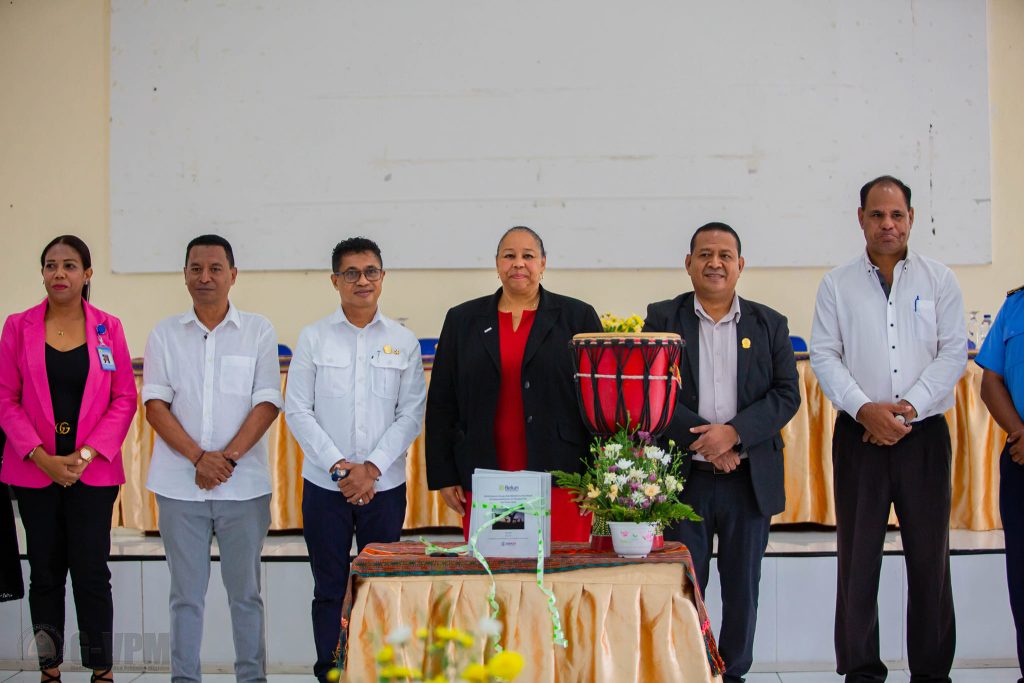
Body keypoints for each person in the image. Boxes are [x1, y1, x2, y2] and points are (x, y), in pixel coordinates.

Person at [810, 175, 967, 682]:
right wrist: (865, 410)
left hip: (924, 437)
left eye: (897, 215)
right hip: (859, 437)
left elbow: (953, 352)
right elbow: (824, 356)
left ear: (911, 219)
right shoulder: (837, 284)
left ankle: (931, 672)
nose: (888, 224)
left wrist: (907, 409)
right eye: (877, 215)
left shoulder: (939, 280)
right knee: (858, 563)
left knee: (930, 561)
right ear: (861, 219)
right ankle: (861, 672)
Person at [643, 222, 800, 683]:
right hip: (683, 480)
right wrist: (707, 443)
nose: (715, 263)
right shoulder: (662, 318)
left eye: (725, 255)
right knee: (683, 587)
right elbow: (651, 390)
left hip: (747, 481)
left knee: (742, 589)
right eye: (705, 254)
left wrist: (734, 435)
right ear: (688, 263)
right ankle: (689, 671)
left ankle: (732, 674)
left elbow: (786, 394)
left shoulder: (769, 323)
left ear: (740, 265)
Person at [285, 237, 426, 683]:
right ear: (335, 281)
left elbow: (411, 414)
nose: (362, 281)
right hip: (325, 487)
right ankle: (331, 672)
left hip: (384, 489)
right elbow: (297, 410)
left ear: (383, 277)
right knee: (329, 587)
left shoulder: (403, 341)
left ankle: (376, 672)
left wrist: (372, 469)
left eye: (370, 272)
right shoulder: (313, 338)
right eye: (351, 273)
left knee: (380, 588)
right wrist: (341, 467)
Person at [143, 234, 282, 683]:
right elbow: (155, 406)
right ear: (184, 275)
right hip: (179, 487)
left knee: (246, 595)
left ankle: (251, 678)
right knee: (185, 597)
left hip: (244, 488)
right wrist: (199, 458)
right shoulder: (165, 333)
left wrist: (226, 461)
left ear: (233, 275)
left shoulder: (258, 331)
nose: (205, 277)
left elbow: (267, 403)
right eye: (196, 268)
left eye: (215, 268)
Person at [0, 235, 137, 683]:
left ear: (87, 273)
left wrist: (85, 454)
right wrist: (40, 457)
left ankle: (102, 669)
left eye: (70, 265)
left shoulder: (108, 328)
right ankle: (50, 669)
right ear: (42, 273)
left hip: (92, 473)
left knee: (92, 573)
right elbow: (5, 398)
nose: (59, 273)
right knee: (44, 574)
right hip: (34, 471)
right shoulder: (17, 327)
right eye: (51, 265)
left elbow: (124, 398)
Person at [425, 226, 602, 541]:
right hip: (485, 472)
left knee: (561, 568)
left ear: (543, 263)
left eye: (528, 256)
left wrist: (597, 473)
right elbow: (442, 402)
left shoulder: (578, 317)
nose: (518, 263)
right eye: (509, 256)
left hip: (563, 475)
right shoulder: (462, 320)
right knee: (495, 566)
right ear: (497, 264)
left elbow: (600, 401)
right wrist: (445, 474)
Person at [976, 284, 1024, 682]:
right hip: (1021, 456)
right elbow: (991, 381)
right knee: (1022, 576)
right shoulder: (1015, 305)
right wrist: (1019, 433)